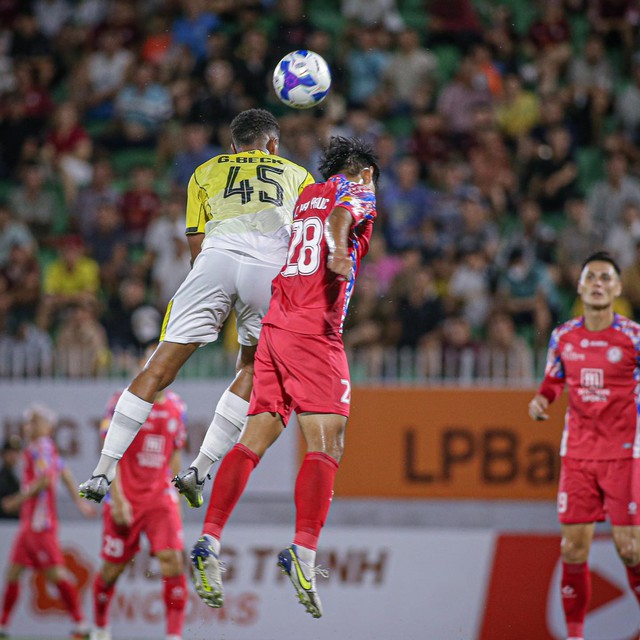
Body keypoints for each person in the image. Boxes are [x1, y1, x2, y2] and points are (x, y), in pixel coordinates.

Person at [79, 109, 314, 505]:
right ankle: (199, 469)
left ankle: (103, 471)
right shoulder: (297, 175)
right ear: (273, 145)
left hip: (216, 259)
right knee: (253, 368)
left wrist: (213, 292)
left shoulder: (205, 171)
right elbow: (306, 244)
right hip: (270, 269)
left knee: (160, 366)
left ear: (232, 146)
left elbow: (195, 241)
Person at [188, 136, 378, 619]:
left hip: (274, 324)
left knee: (256, 435)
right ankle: (305, 550)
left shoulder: (305, 194)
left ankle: (209, 539)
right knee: (327, 441)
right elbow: (341, 222)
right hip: (314, 329)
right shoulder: (357, 189)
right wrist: (338, 253)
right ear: (366, 172)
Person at [528, 251, 640, 640]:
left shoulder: (633, 338)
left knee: (631, 550)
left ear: (618, 288)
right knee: (574, 550)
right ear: (579, 286)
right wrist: (543, 399)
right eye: (590, 276)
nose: (597, 283)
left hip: (624, 454)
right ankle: (575, 635)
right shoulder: (564, 336)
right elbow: (553, 380)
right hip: (577, 454)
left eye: (605, 278)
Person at [92, 364, 187, 640]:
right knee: (112, 570)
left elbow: (175, 457)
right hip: (126, 497)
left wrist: (177, 504)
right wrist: (117, 498)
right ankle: (99, 629)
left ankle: (174, 635)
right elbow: (111, 452)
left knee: (172, 561)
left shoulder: (177, 406)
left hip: (160, 498)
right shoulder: (122, 400)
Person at [0, 405, 95, 639]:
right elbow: (65, 473)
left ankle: (81, 624)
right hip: (29, 525)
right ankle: (3, 626)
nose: (29, 425)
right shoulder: (44, 448)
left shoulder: (41, 448)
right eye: (28, 421)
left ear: (47, 426)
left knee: (56, 575)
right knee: (13, 573)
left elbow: (45, 481)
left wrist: (16, 500)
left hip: (40, 525)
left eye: (34, 421)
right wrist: (80, 503)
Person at [0, 435, 22, 520]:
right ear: (2, 454)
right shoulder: (2, 478)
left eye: (16, 452)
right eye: (10, 452)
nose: (13, 456)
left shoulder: (17, 476)